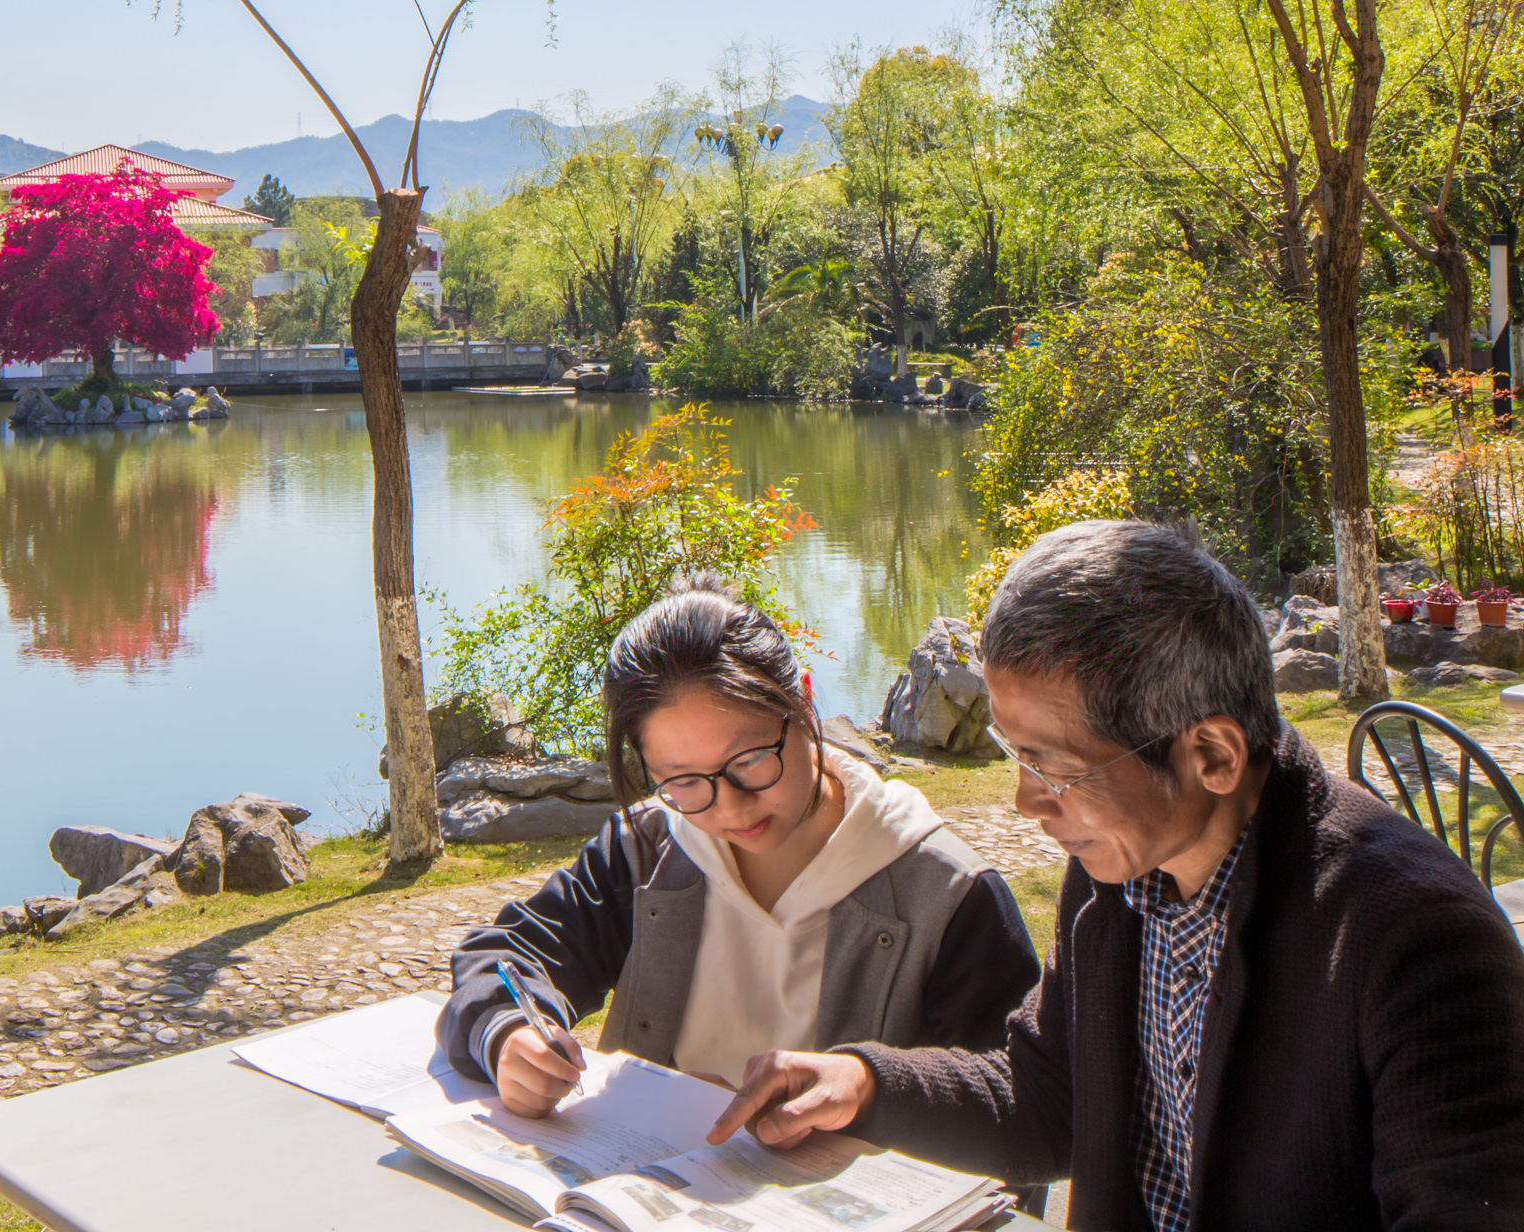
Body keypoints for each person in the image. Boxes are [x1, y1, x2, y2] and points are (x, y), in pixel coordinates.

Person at [710, 521, 1524, 1232]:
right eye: (1011, 753)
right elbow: (1052, 1098)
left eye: (1052, 768)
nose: (1028, 802)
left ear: (1211, 755)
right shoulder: (1116, 879)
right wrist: (866, 1084)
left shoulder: (1414, 940)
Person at [437, 575, 1041, 1122]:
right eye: (682, 781)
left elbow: (1017, 1110)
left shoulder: (948, 896)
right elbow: (508, 954)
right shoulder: (649, 850)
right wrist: (507, 1032)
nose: (728, 808)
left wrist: (864, 1108)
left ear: (804, 704)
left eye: (750, 761)